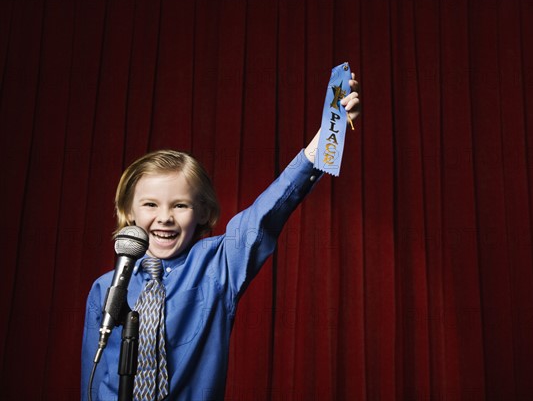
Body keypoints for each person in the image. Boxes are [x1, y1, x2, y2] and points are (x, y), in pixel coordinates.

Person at [81, 75, 360, 400]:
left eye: (180, 205)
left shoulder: (218, 265)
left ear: (202, 212)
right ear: (129, 212)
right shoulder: (105, 287)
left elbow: (265, 215)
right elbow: (93, 373)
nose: (165, 217)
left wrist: (330, 132)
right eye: (151, 205)